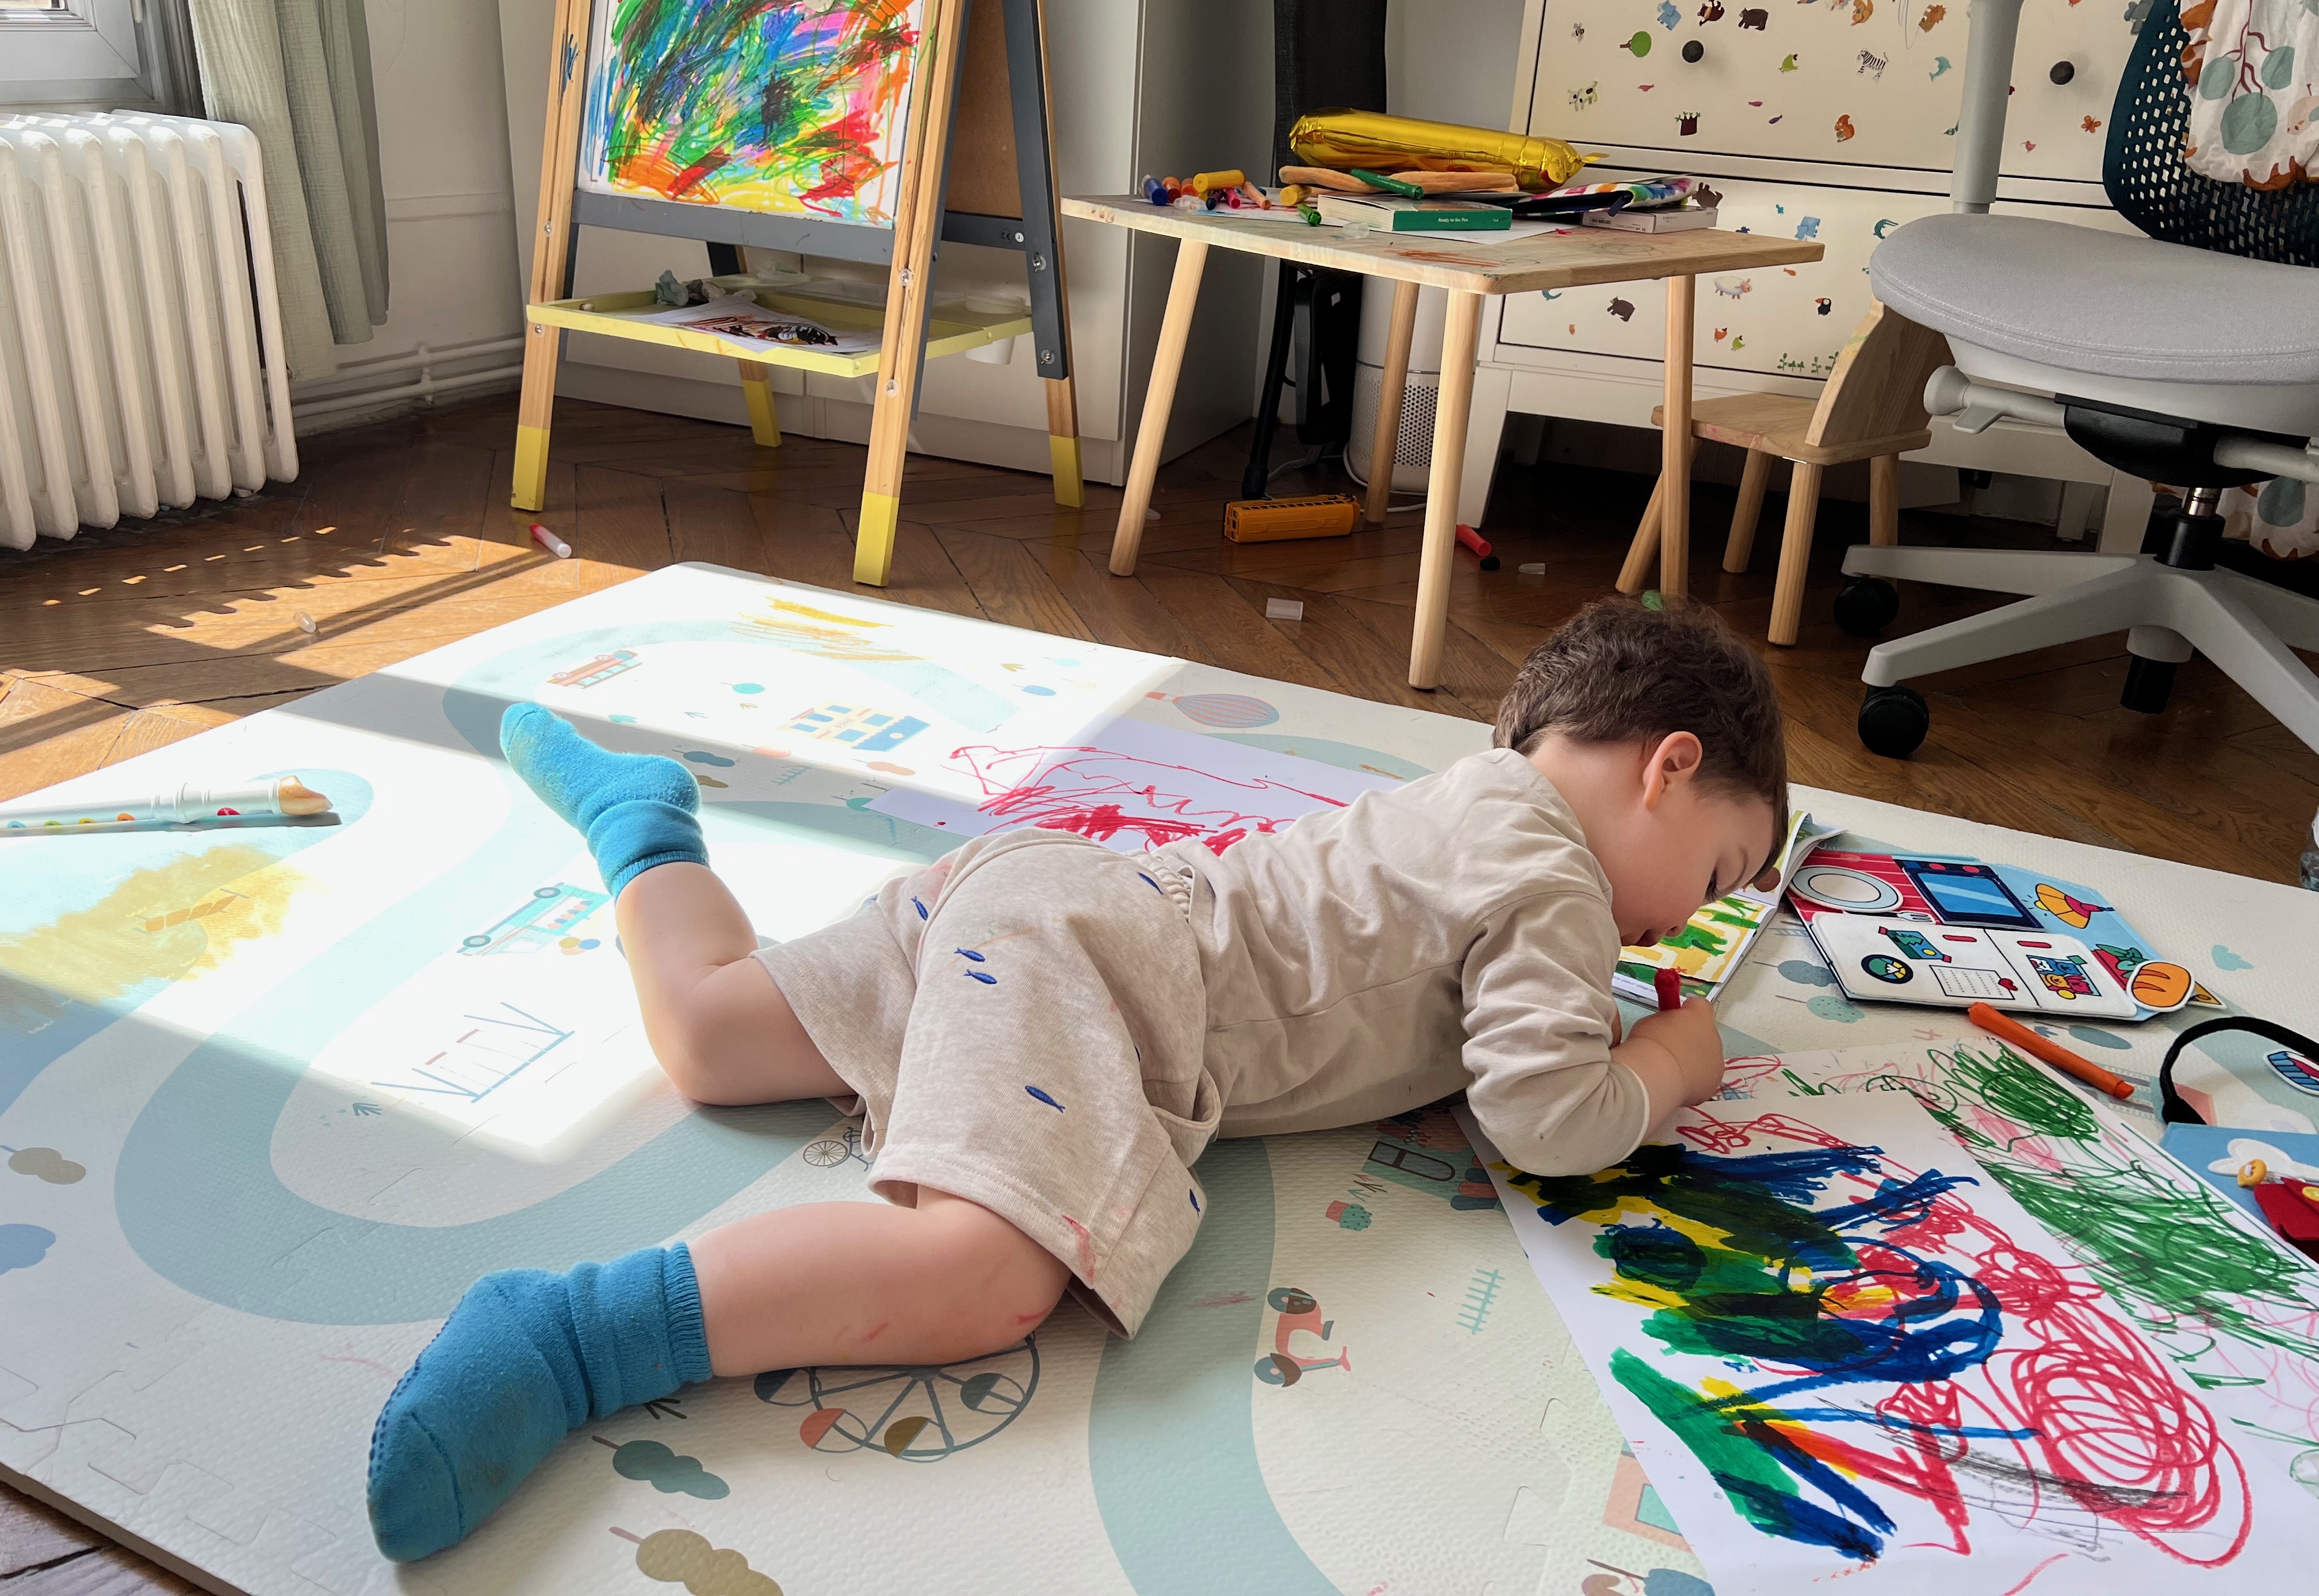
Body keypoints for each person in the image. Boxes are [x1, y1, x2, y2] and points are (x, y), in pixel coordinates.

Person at [366, 595, 1785, 1559]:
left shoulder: (1472, 804)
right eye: (1719, 877)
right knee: (982, 1276)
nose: (1684, 925)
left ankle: (644, 831)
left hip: (1060, 898)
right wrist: (1668, 1054)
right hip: (1112, 975)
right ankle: (568, 1333)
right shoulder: (1556, 879)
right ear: (1667, 765)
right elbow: (1543, 1120)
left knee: (708, 1037)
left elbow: (1454, 1031)